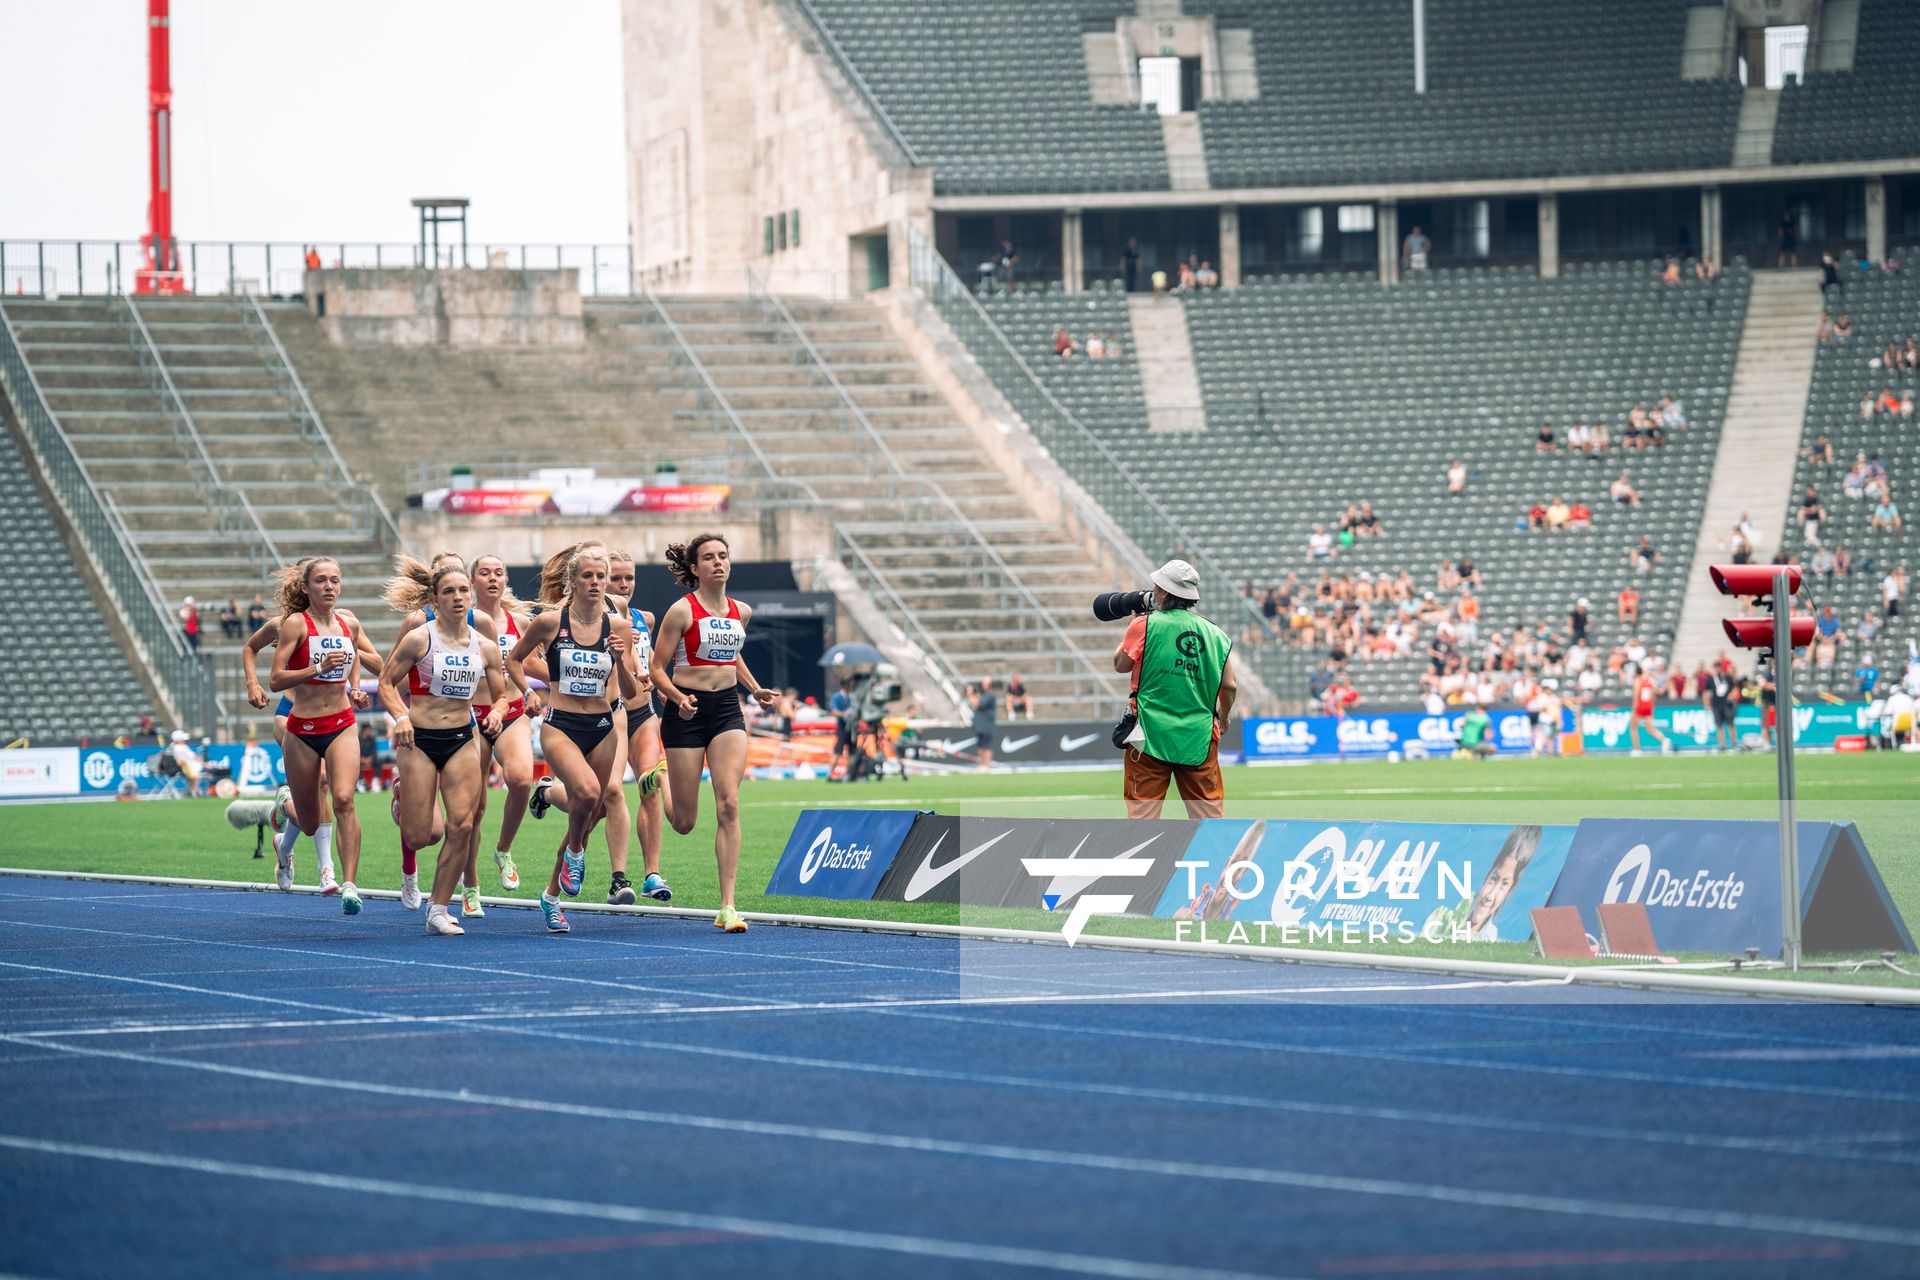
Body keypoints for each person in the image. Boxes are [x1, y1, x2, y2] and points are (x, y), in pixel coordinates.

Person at [508, 544, 642, 934]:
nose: (597, 583)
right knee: (585, 794)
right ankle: (577, 852)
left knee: (595, 807)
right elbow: (513, 659)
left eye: (601, 576)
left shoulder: (617, 626)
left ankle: (551, 897)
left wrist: (620, 659)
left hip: (603, 726)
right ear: (572, 581)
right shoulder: (551, 623)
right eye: (588, 576)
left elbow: (631, 692)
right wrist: (530, 693)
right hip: (561, 723)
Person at [648, 533, 778, 934]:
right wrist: (677, 697)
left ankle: (727, 906)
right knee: (684, 822)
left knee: (729, 803)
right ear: (695, 568)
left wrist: (753, 687)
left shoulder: (742, 611)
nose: (718, 563)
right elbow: (656, 669)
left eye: (723, 556)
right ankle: (659, 778)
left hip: (726, 712)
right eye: (709, 558)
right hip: (686, 711)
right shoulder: (681, 612)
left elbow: (731, 652)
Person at [378, 563, 511, 936]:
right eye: (448, 592)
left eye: (462, 591)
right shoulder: (420, 639)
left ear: (470, 596)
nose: (457, 598)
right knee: (421, 836)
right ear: (435, 599)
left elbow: (501, 696)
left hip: (462, 739)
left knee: (463, 824)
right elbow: (386, 682)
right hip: (418, 739)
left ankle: (438, 909)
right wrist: (401, 716)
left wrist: (498, 713)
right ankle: (403, 797)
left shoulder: (485, 645)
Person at [267, 558, 374, 913]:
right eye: (321, 581)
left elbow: (354, 655)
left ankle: (350, 885)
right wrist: (317, 667)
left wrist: (356, 688)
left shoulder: (349, 623)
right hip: (302, 730)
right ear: (306, 587)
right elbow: (276, 679)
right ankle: (284, 826)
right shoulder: (296, 625)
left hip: (341, 724)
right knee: (311, 824)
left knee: (344, 799)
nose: (329, 587)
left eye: (335, 581)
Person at [1112, 560, 1235, 820]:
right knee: (1209, 820)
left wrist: (1132, 626)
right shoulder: (1216, 634)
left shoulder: (1144, 625)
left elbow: (1120, 665)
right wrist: (1223, 716)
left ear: (1165, 593)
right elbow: (1229, 685)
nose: (1153, 592)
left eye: (1156, 587)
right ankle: (1213, 861)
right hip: (1198, 736)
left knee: (1142, 820)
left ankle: (1148, 860)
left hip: (1148, 734)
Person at [469, 553, 535, 894]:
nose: (492, 578)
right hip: (470, 717)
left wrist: (535, 691)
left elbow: (530, 665)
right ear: (472, 582)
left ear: (506, 580)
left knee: (522, 780)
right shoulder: (459, 623)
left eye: (498, 573)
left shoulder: (520, 624)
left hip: (510, 712)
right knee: (474, 807)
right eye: (484, 573)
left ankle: (503, 850)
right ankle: (470, 885)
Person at [1628, 668, 1673, 757]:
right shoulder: (1650, 682)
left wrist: (1634, 708)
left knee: (1633, 728)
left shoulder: (1638, 681)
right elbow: (1654, 695)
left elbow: (1636, 695)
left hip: (1640, 707)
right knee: (1650, 729)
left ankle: (1637, 749)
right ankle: (1664, 740)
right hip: (1648, 707)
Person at [1704, 664, 1739, 752]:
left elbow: (1735, 688)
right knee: (1719, 725)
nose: (1717, 669)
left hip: (1727, 704)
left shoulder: (1727, 678)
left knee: (1730, 724)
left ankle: (1735, 743)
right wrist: (1707, 703)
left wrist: (1732, 695)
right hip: (1716, 705)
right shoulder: (1711, 679)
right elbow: (1706, 692)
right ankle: (1722, 745)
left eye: (1719, 667)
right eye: (1716, 668)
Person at [969, 677, 997, 769]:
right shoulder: (984, 695)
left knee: (987, 745)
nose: (983, 685)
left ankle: (986, 765)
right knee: (981, 746)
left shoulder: (991, 695)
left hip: (986, 725)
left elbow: (978, 704)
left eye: (985, 683)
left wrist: (971, 695)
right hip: (980, 725)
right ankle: (982, 764)